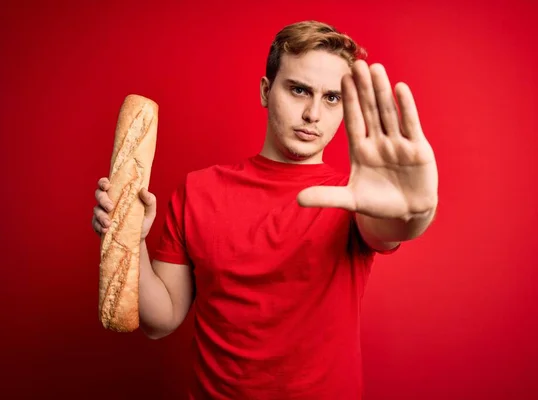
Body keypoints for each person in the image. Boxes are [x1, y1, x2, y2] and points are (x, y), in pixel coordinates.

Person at [92, 20, 438, 400]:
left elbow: (392, 225)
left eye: (332, 98)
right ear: (266, 90)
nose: (312, 114)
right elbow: (160, 321)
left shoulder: (352, 199)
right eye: (299, 90)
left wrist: (415, 213)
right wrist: (133, 238)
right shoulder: (198, 190)